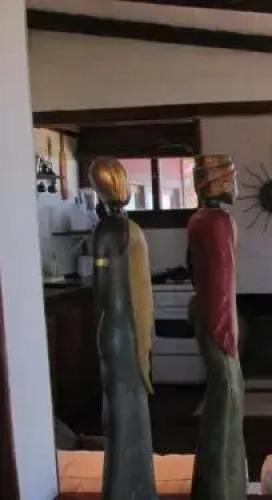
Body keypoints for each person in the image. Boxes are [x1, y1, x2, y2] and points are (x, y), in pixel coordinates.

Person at [89, 156, 156, 500]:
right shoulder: (134, 230)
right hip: (132, 331)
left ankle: (121, 488)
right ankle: (139, 486)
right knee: (134, 409)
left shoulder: (104, 230)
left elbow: (100, 288)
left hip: (113, 330)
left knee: (117, 413)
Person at [187, 154, 247, 500]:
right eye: (232, 177)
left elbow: (200, 276)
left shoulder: (198, 220)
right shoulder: (219, 222)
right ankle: (221, 488)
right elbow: (221, 285)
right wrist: (228, 335)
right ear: (218, 181)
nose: (236, 185)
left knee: (221, 403)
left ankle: (215, 486)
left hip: (206, 317)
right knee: (228, 403)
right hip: (218, 323)